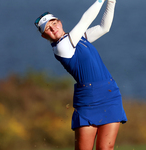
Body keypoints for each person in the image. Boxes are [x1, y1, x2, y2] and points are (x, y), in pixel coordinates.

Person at [34, 0, 127, 149]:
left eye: (54, 24)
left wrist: (111, 2)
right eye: (48, 29)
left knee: (106, 148)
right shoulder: (61, 47)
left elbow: (104, 27)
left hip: (110, 94)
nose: (53, 29)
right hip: (88, 101)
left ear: (60, 22)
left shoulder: (78, 39)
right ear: (45, 36)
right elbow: (85, 20)